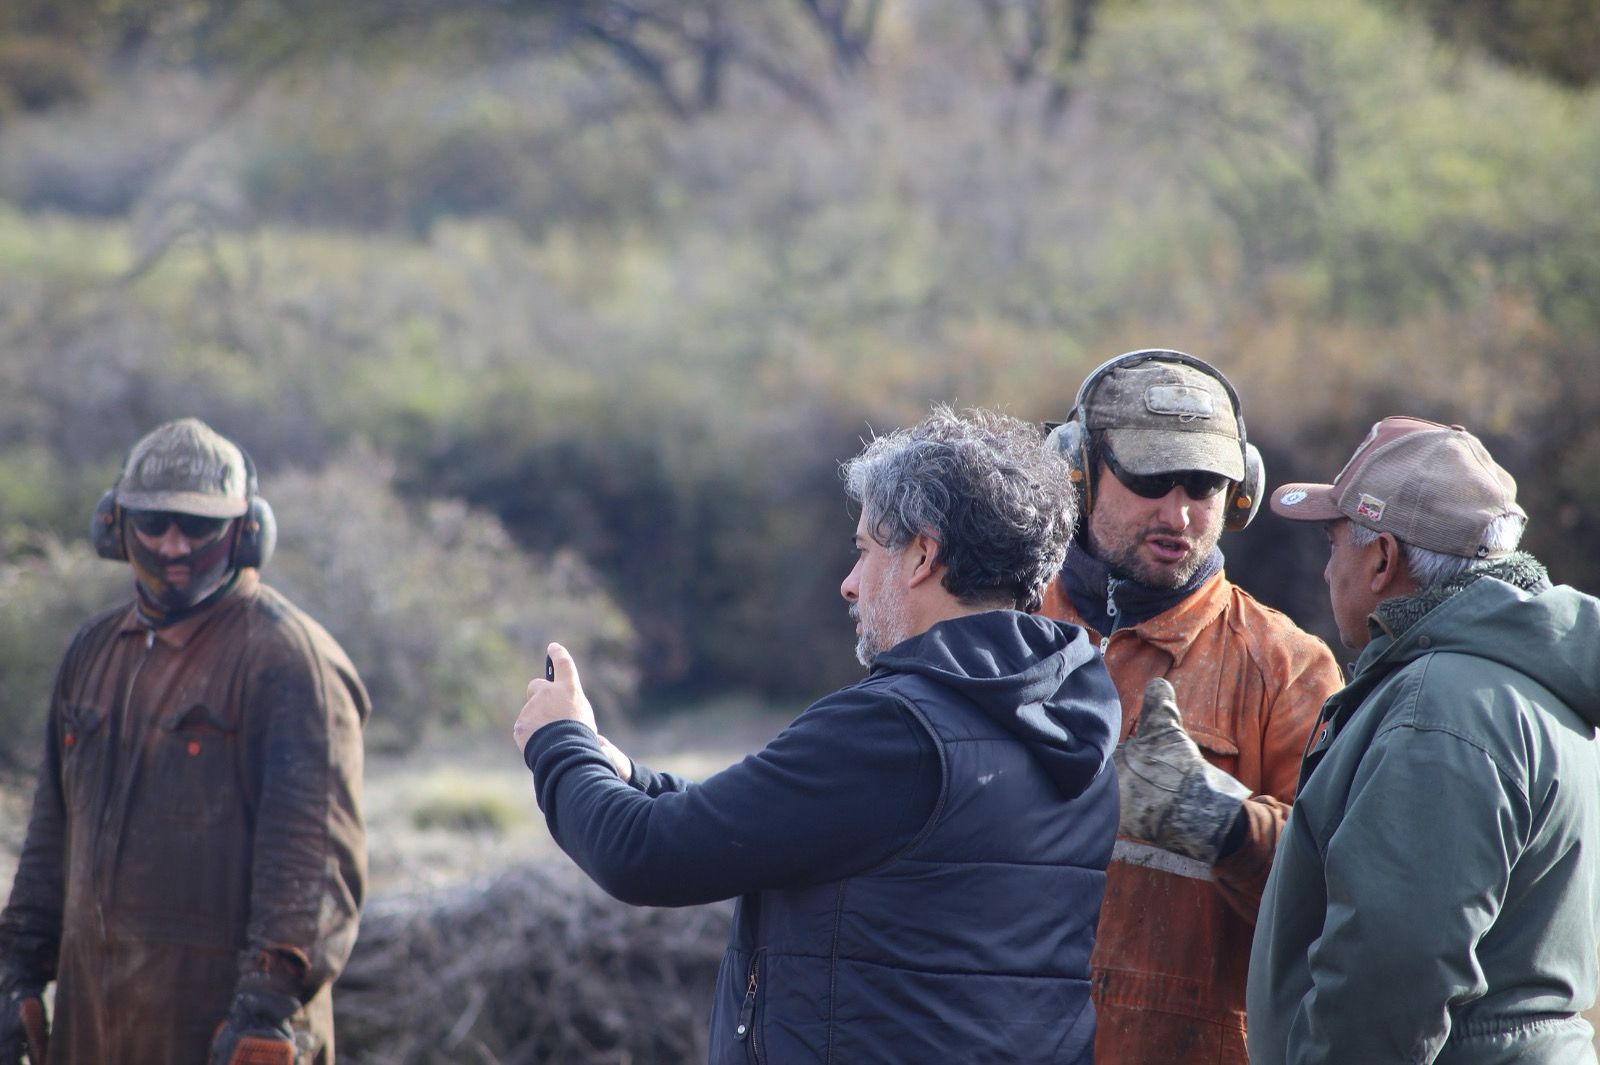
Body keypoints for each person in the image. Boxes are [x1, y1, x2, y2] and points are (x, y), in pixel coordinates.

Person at [514, 405, 1121, 1063]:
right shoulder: (1078, 717)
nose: (849, 583)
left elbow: (645, 853)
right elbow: (787, 821)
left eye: (863, 550)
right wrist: (628, 775)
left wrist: (559, 742)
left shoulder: (893, 730)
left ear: (922, 553)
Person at [0, 418, 370, 1065]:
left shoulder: (289, 661)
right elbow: (50, 834)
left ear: (245, 530)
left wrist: (265, 1008)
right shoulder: (91, 650)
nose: (175, 544)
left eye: (199, 526)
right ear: (115, 524)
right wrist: (17, 972)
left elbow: (314, 862)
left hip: (225, 1031)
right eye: (156, 521)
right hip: (95, 1026)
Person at [1248, 415, 1600, 1063]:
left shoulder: (1438, 710)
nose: (1328, 571)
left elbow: (1390, 967)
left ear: (1381, 559)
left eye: (1335, 545)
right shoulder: (1530, 680)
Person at [1040, 349, 1343, 1063]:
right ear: (1078, 472)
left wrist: (1225, 824)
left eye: (1204, 484)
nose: (1178, 513)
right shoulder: (1000, 627)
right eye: (1149, 478)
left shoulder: (1288, 667)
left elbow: (1347, 896)